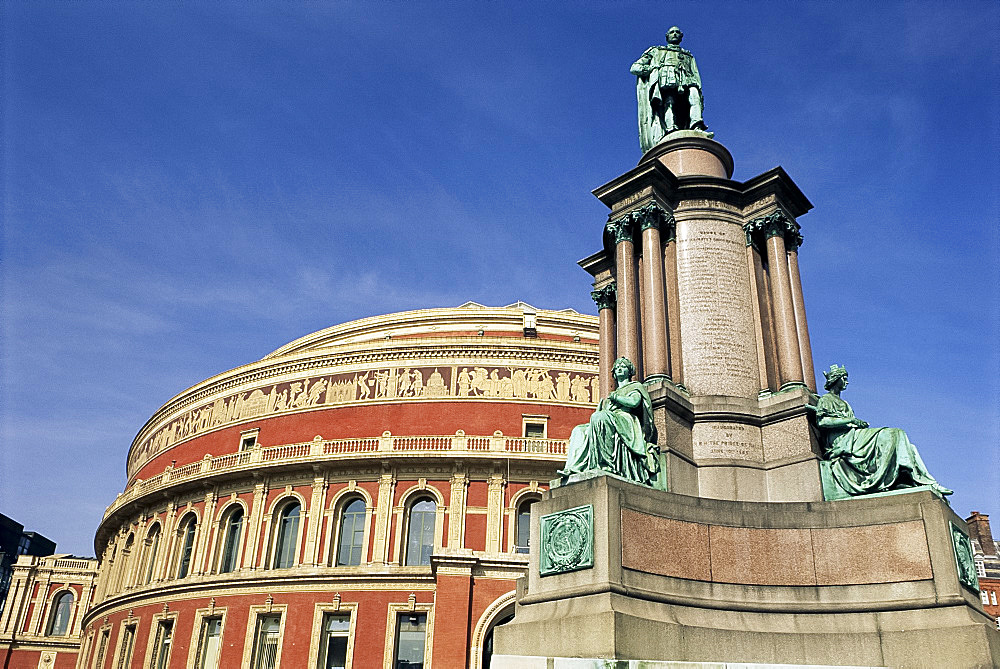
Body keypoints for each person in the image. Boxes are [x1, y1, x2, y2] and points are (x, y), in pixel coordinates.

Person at [809, 365, 952, 497]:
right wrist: (851, 421)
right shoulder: (826, 400)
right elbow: (822, 421)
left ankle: (924, 481)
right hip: (843, 440)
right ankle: (907, 478)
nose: (847, 382)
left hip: (853, 436)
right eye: (844, 379)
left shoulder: (844, 403)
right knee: (894, 434)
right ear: (836, 380)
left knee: (909, 447)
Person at [558, 358, 661, 488]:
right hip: (610, 419)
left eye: (623, 366)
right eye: (617, 367)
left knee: (599, 417)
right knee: (579, 430)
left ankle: (607, 465)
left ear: (629, 372)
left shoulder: (635, 387)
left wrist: (616, 399)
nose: (619, 368)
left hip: (626, 418)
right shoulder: (612, 394)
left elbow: (634, 402)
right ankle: (573, 468)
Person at [631, 26, 710, 153]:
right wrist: (651, 70)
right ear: (667, 36)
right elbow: (635, 67)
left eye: (677, 32)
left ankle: (697, 125)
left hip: (688, 79)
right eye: (672, 32)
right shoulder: (657, 51)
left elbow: (695, 73)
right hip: (667, 79)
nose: (674, 34)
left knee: (694, 97)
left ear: (681, 36)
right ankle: (670, 128)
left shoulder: (688, 55)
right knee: (669, 102)